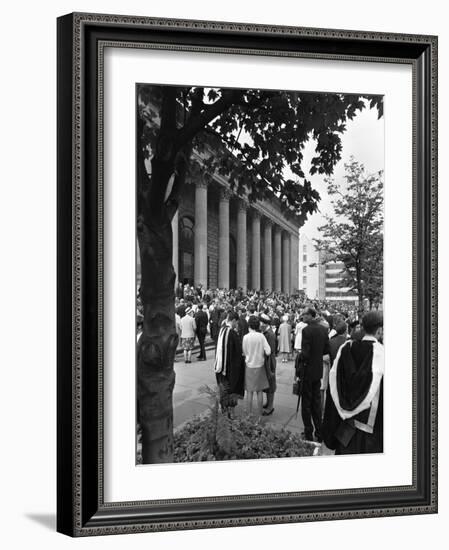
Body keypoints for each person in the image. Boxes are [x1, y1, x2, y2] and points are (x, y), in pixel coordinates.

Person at [322, 311, 384, 455]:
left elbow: (334, 388)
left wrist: (330, 426)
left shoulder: (346, 349)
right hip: (371, 435)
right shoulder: (384, 355)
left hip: (344, 431)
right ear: (380, 330)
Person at [299, 307, 330, 442]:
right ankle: (319, 431)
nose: (302, 316)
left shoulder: (306, 330)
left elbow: (305, 354)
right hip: (317, 371)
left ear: (311, 316)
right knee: (316, 403)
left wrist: (300, 357)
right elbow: (326, 350)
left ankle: (308, 432)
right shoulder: (323, 329)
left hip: (307, 371)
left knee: (306, 404)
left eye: (305, 314)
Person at [214, 311, 245, 414]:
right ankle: (229, 414)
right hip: (229, 370)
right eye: (236, 322)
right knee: (230, 391)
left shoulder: (222, 330)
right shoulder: (231, 333)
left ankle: (224, 411)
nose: (237, 325)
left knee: (223, 390)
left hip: (220, 367)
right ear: (234, 320)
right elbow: (237, 353)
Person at [242, 316, 271, 417]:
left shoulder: (245, 337)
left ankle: (249, 415)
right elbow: (268, 351)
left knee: (249, 392)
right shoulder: (261, 336)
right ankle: (259, 416)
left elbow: (244, 352)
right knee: (259, 392)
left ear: (249, 325)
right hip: (260, 366)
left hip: (249, 366)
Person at [260, 313, 277, 416]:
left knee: (270, 385)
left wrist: (270, 368)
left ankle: (270, 407)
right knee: (267, 385)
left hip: (269, 362)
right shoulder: (266, 333)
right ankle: (268, 403)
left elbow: (270, 352)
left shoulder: (269, 334)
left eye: (261, 322)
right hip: (266, 361)